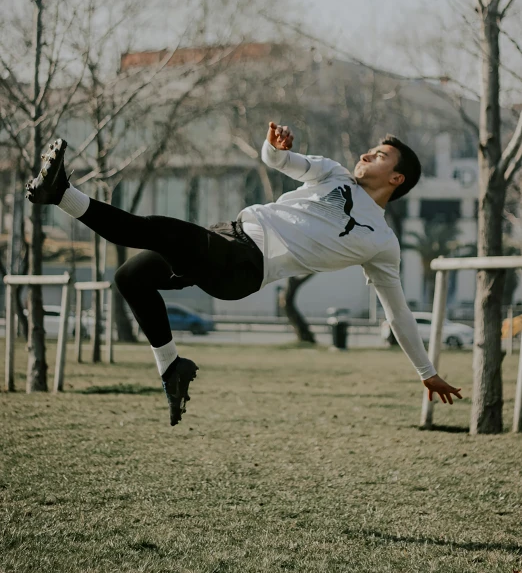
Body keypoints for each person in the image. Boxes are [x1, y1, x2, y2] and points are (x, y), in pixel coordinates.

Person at [26, 122, 462, 426]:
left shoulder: (382, 242)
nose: (368, 153)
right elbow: (279, 160)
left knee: (157, 229)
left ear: (397, 177)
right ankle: (171, 367)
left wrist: (425, 370)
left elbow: (398, 312)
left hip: (244, 266)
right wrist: (275, 145)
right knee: (131, 277)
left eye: (380, 155)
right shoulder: (334, 173)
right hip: (227, 234)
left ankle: (60, 193)